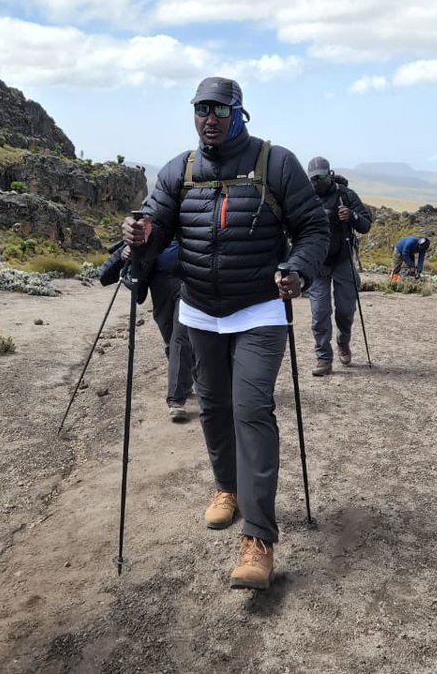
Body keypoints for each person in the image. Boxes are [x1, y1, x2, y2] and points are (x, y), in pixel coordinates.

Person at [122, 76, 328, 590]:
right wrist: (141, 233)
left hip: (259, 310)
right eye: (200, 109)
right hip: (198, 312)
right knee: (212, 406)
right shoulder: (180, 169)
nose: (208, 117)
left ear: (240, 112)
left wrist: (298, 268)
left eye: (218, 108)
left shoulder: (275, 163)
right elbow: (158, 224)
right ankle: (226, 488)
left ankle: (258, 538)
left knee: (250, 410)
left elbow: (314, 228)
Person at [98, 239, 196, 421]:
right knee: (169, 335)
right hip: (159, 281)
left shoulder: (192, 213)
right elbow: (140, 234)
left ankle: (176, 399)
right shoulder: (158, 215)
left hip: (190, 280)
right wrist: (130, 251)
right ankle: (184, 380)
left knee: (180, 336)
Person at [303, 157, 372, 376]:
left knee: (345, 310)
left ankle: (343, 340)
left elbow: (365, 224)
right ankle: (323, 358)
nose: (317, 181)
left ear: (329, 174)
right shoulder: (305, 197)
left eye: (321, 177)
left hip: (342, 260)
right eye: (312, 178)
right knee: (319, 313)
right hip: (317, 264)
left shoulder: (346, 195)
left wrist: (351, 216)